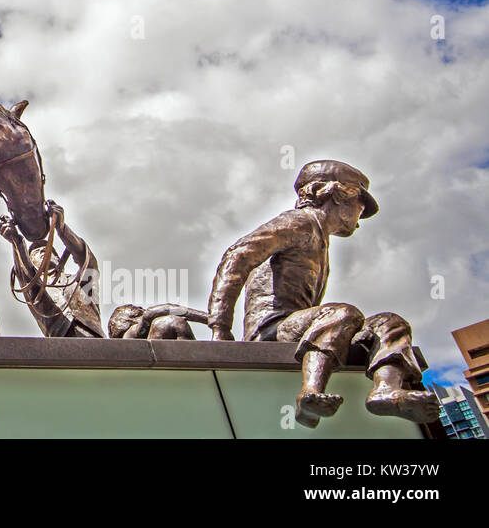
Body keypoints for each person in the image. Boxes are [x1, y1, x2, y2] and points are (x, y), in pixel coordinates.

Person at [207, 160, 438, 427]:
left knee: (389, 322)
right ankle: (310, 393)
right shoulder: (299, 222)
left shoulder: (319, 236)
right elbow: (237, 257)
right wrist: (220, 329)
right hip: (272, 330)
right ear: (335, 194)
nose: (359, 219)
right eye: (359, 207)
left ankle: (385, 390)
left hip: (307, 328)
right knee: (343, 313)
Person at [0, 202, 104, 337]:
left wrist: (62, 229)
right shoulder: (37, 290)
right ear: (34, 265)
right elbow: (26, 276)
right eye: (37, 252)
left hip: (96, 341)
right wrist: (16, 241)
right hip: (62, 345)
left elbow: (87, 260)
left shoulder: (76, 282)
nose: (44, 252)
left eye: (48, 250)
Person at [108, 303, 208, 339]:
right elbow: (151, 313)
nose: (143, 310)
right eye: (140, 311)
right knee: (168, 322)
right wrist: (207, 318)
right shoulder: (131, 332)